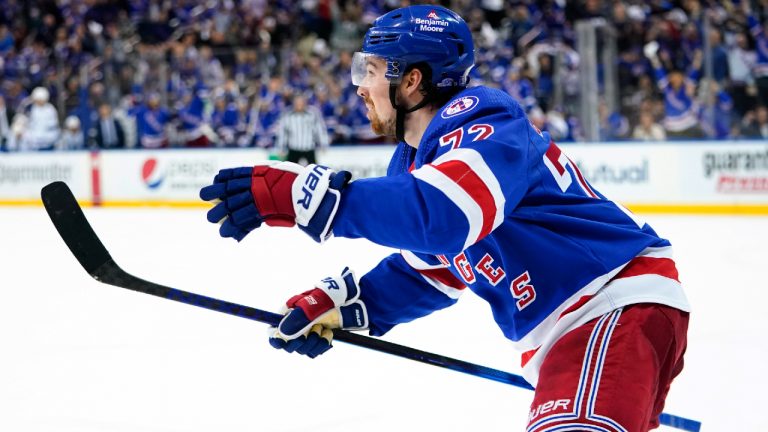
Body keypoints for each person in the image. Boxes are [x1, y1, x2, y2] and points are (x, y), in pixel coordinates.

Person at [200, 6, 690, 432]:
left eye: (369, 71)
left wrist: (304, 197)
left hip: (608, 308)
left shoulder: (483, 118)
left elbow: (446, 215)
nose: (359, 87)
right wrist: (354, 303)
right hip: (583, 328)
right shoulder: (420, 160)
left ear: (411, 81)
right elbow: (437, 265)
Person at [274, 94, 329, 165]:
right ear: (294, 104)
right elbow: (283, 132)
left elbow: (319, 130)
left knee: (312, 172)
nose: (299, 105)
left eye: (301, 103)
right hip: (293, 149)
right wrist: (281, 147)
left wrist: (323, 143)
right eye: (297, 103)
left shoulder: (312, 114)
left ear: (305, 103)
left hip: (309, 149)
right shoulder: (287, 115)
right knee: (291, 172)